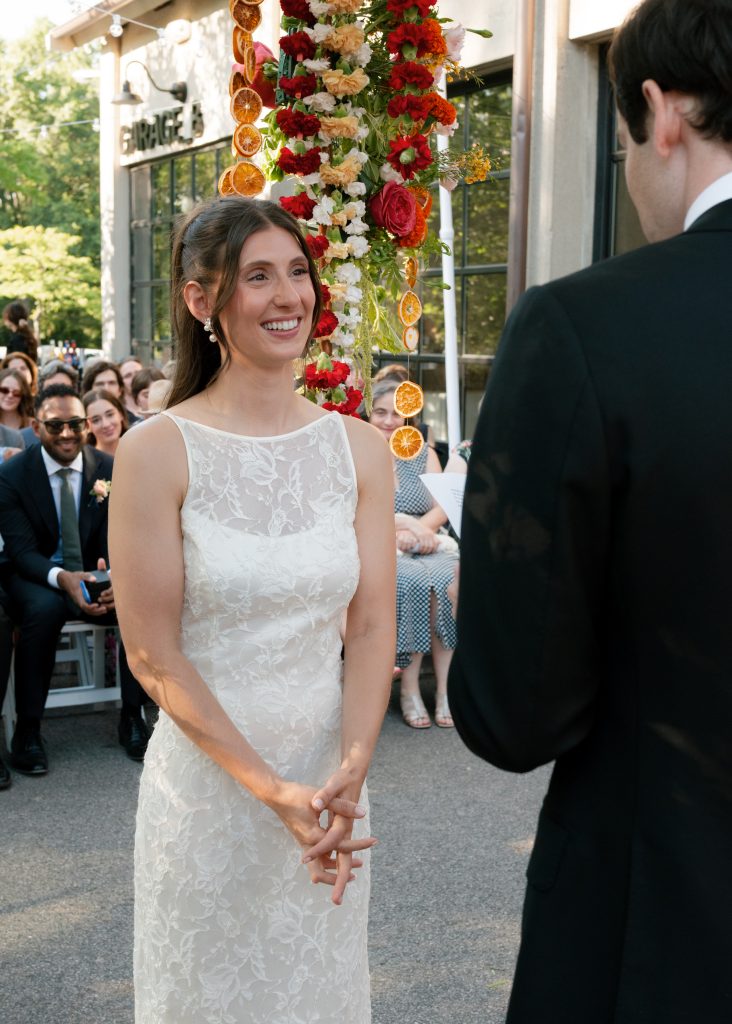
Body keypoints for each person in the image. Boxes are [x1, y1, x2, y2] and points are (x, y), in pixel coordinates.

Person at [448, 1, 732, 1019]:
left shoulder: (584, 326)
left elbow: (516, 712)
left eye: (617, 148)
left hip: (663, 919)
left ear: (660, 112)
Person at [108, 194, 395, 1023]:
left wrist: (353, 764)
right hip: (209, 794)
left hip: (330, 791)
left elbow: (373, 623)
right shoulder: (156, 451)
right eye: (257, 276)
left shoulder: (359, 449)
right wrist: (270, 789)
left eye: (297, 273)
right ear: (203, 300)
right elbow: (153, 653)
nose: (288, 297)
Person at [0, 384, 151, 776]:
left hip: (96, 569)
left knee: (136, 599)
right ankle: (28, 733)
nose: (66, 433)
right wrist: (64, 578)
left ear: (85, 425)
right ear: (36, 427)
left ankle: (133, 718)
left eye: (74, 424)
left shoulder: (109, 468)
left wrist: (116, 575)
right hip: (36, 574)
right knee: (44, 610)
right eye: (55, 425)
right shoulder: (12, 475)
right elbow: (20, 551)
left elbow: (128, 531)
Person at [367, 378, 457, 728]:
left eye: (396, 413)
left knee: (450, 577)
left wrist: (422, 532)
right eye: (380, 412)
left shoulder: (423, 452)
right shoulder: (362, 450)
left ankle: (447, 690)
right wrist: (399, 532)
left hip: (430, 538)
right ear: (368, 414)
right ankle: (409, 688)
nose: (389, 421)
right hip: (383, 540)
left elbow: (442, 505)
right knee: (413, 581)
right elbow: (361, 509)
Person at [83, 388, 129, 457]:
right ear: (87, 426)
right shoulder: (85, 462)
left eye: (110, 415)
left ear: (120, 414)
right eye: (96, 420)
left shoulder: (138, 449)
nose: (106, 424)